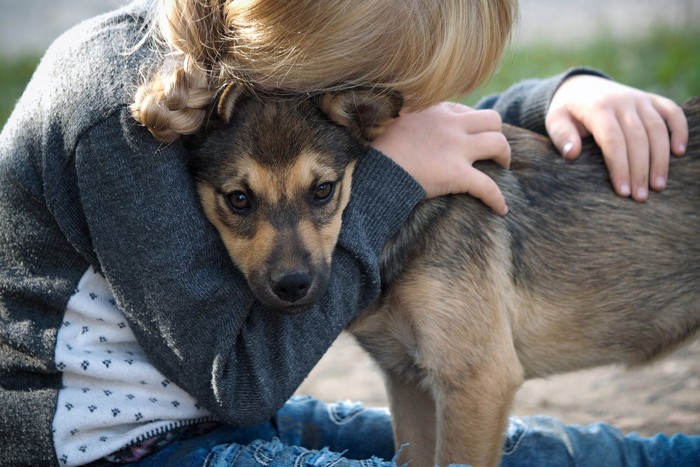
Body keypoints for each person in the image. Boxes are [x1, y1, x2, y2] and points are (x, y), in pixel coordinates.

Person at [0, 0, 691, 466]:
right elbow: (236, 380)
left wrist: (554, 98)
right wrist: (390, 183)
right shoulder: (121, 123)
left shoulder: (266, 74)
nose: (393, 121)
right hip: (115, 446)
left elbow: (415, 132)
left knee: (542, 451)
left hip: (224, 423)